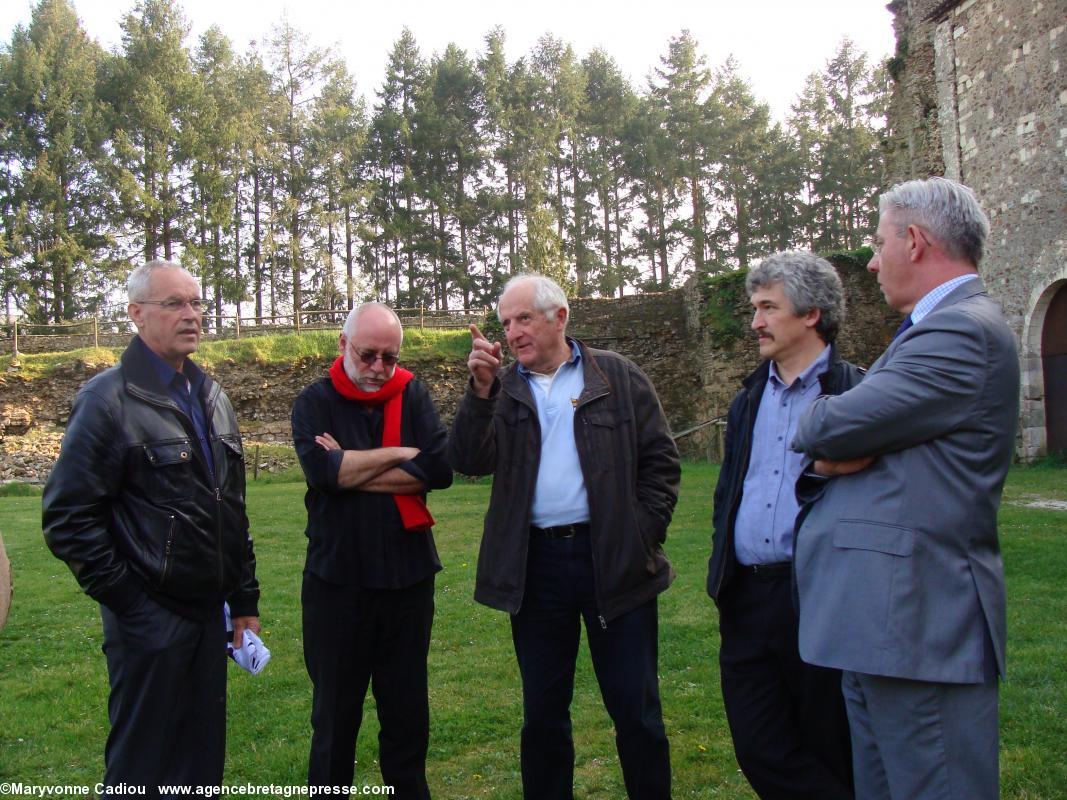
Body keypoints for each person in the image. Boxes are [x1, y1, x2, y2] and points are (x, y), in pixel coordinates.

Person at [792, 177, 1019, 800]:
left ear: (914, 241)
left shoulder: (960, 330)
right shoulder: (934, 330)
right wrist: (829, 458)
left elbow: (824, 422)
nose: (870, 260)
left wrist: (825, 442)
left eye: (878, 241)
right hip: (886, 623)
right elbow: (840, 440)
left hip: (920, 624)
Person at [449, 274, 680, 800]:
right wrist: (480, 393)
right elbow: (467, 460)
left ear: (560, 317)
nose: (511, 333)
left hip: (615, 563)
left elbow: (661, 464)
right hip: (537, 569)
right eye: (505, 322)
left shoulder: (617, 377)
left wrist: (640, 535)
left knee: (637, 712)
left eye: (523, 318)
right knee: (544, 717)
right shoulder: (503, 388)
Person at [42, 260, 260, 791]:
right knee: (143, 768)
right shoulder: (107, 400)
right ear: (137, 315)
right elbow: (68, 518)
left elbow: (230, 506)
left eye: (198, 302)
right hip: (150, 622)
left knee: (201, 766)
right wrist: (135, 608)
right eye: (175, 304)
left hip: (210, 617)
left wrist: (245, 602)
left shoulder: (213, 397)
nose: (193, 315)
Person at [707, 251, 860, 799]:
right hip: (747, 596)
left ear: (812, 313)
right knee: (758, 746)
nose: (755, 322)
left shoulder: (854, 393)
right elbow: (729, 488)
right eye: (755, 308)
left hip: (820, 594)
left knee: (828, 740)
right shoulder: (748, 399)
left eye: (768, 307)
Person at [291, 302, 452, 797]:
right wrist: (404, 454)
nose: (380, 368)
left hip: (408, 582)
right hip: (338, 584)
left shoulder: (413, 394)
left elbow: (442, 469)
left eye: (389, 356)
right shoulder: (313, 402)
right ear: (342, 346)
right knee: (335, 722)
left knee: (407, 719)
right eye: (368, 355)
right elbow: (324, 474)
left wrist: (351, 467)